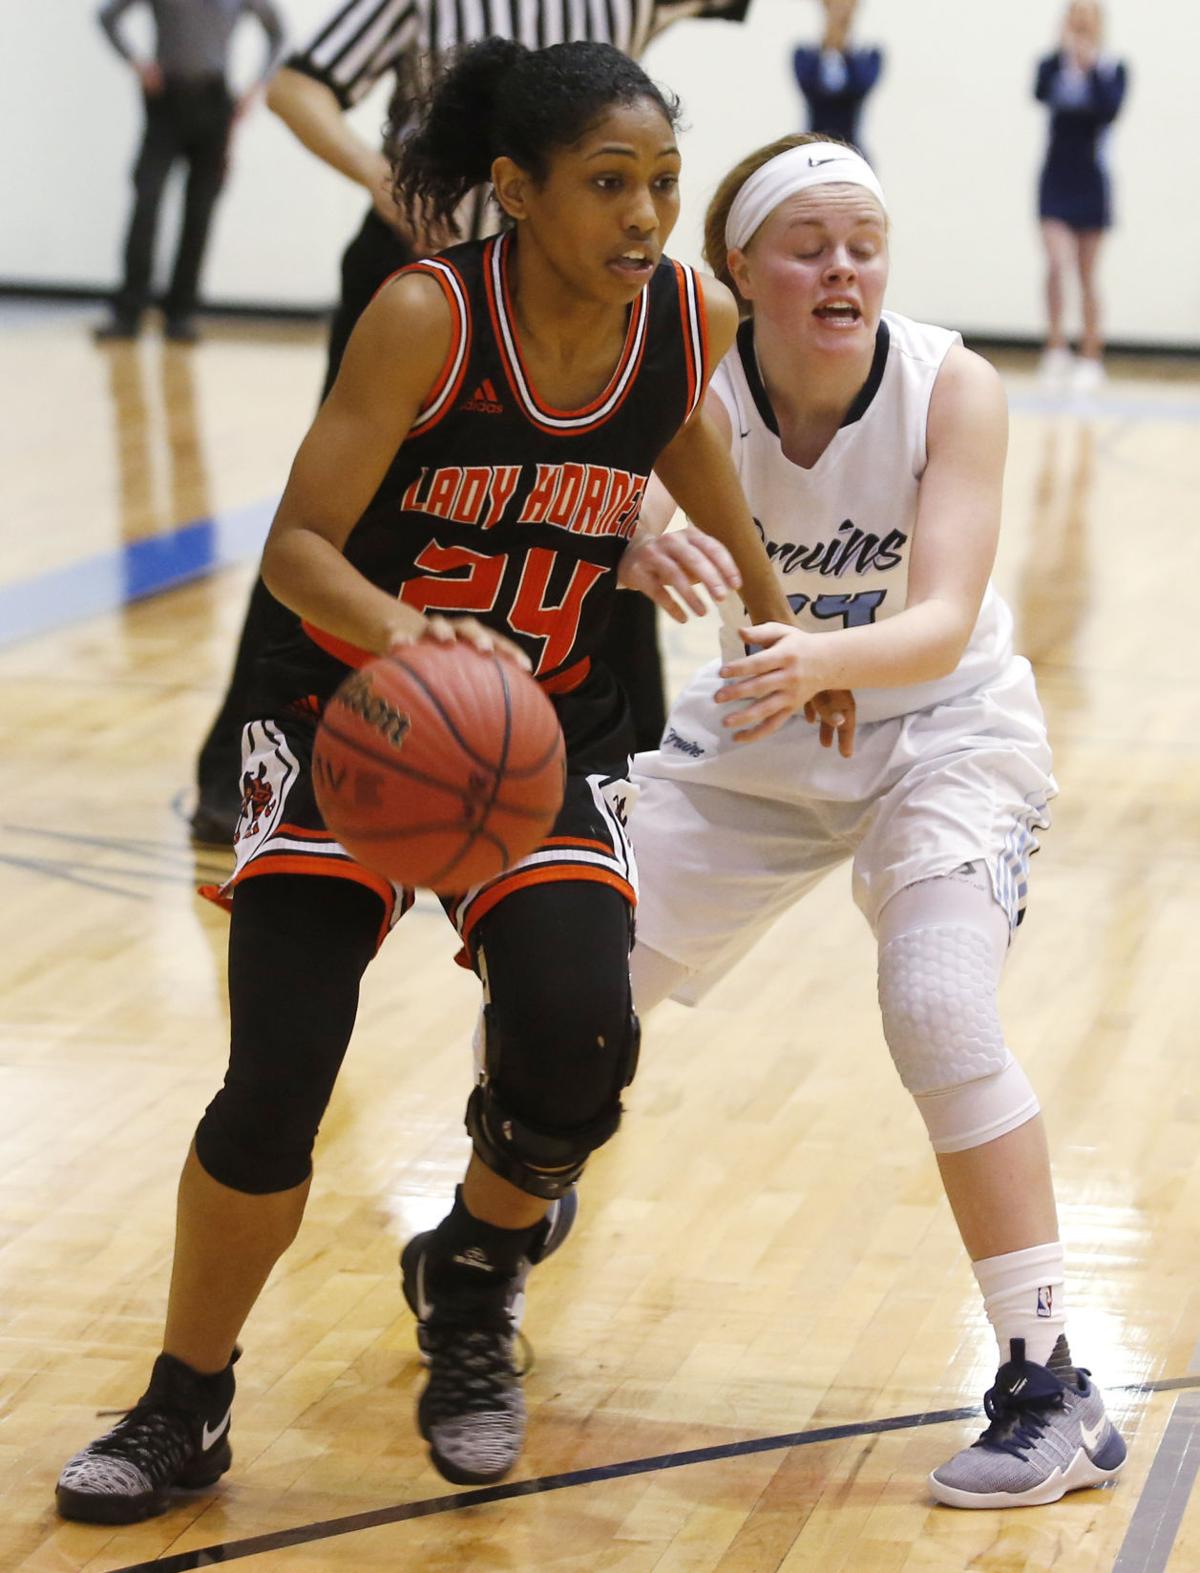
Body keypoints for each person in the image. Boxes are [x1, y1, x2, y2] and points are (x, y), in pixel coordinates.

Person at [55, 39, 799, 1523]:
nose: (646, 213)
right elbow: (297, 549)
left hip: (545, 730)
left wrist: (773, 620)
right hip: (347, 715)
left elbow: (694, 444)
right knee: (276, 1084)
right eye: (608, 184)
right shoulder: (423, 317)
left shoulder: (689, 316)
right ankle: (184, 1403)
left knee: (581, 1041)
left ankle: (467, 1277)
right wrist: (407, 635)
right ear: (515, 191)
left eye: (660, 180)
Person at [627, 133, 1128, 1509]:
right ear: (742, 268)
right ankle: (509, 1203)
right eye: (810, 243)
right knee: (562, 989)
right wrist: (636, 544)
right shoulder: (698, 387)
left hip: (944, 735)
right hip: (766, 732)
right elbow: (623, 511)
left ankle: (1049, 1383)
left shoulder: (947, 384)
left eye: (865, 241)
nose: (844, 265)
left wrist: (819, 656)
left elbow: (946, 616)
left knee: (938, 1002)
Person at [189, 0, 756, 845]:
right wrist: (382, 180)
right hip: (440, 290)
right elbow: (297, 90)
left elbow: (680, 442)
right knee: (343, 531)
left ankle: (613, 792)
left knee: (597, 537)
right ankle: (250, 771)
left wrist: (776, 623)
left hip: (602, 301)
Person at [94, 0, 286, 344]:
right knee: (146, 203)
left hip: (214, 102)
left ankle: (180, 314)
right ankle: (129, 310)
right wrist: (136, 63)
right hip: (166, 100)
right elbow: (108, 16)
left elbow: (277, 32)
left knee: (200, 211)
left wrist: (258, 85)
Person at [1035, 2, 1128, 395]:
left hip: (1091, 178)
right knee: (1057, 262)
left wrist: (1089, 66)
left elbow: (1110, 108)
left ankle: (1091, 354)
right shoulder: (1053, 66)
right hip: (1057, 176)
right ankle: (1056, 346)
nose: (1082, 24)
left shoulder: (1112, 69)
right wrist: (1065, 57)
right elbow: (1039, 92)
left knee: (1088, 272)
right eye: (1076, 17)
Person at [792, 0, 882, 157]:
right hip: (813, 150)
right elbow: (812, 89)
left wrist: (843, 47)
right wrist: (829, 43)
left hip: (853, 151)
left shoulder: (869, 56)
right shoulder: (804, 55)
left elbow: (858, 87)